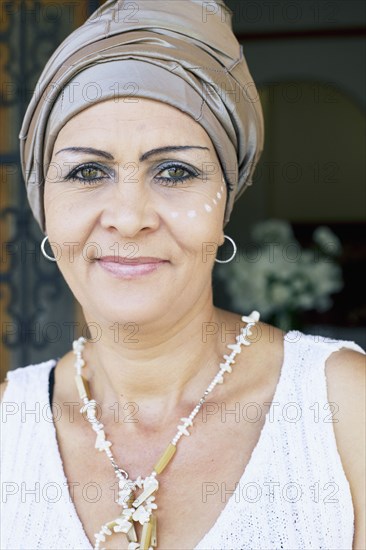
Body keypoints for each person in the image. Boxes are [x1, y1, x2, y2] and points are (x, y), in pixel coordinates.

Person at [1, 1, 365, 549]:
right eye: (87, 171)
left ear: (225, 203)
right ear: (43, 205)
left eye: (175, 171)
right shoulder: (8, 423)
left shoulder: (343, 407)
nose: (129, 217)